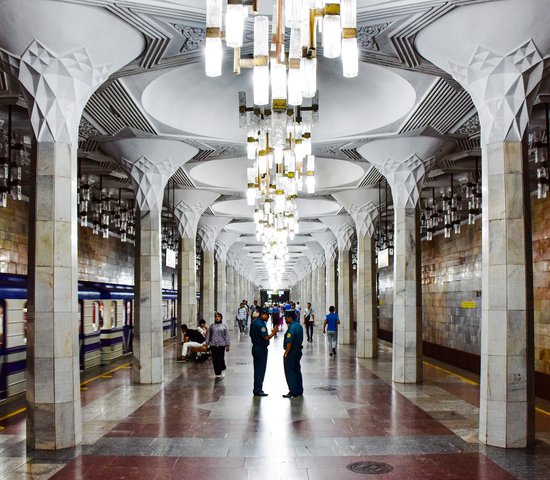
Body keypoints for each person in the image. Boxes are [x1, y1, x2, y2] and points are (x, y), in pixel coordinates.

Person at [249, 306, 278, 396]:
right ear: (263, 314)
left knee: (257, 369)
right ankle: (258, 389)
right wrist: (274, 333)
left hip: (255, 347)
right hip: (261, 349)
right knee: (260, 370)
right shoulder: (261, 325)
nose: (269, 317)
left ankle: (256, 388)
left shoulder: (254, 322)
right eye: (267, 315)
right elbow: (266, 337)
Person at [282, 309, 304, 398]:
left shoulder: (291, 328)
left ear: (290, 318)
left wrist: (286, 353)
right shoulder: (299, 326)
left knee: (290, 371)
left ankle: (293, 391)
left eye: (286, 318)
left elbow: (289, 342)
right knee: (297, 371)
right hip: (298, 351)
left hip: (292, 352)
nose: (285, 319)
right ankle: (299, 390)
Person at [207, 312, 231, 378]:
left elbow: (227, 335)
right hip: (213, 344)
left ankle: (221, 369)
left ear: (221, 318)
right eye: (216, 316)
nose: (217, 318)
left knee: (220, 358)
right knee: (215, 359)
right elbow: (209, 335)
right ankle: (217, 373)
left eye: (218, 316)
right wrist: (207, 343)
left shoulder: (224, 326)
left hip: (221, 344)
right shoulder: (212, 326)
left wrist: (228, 344)